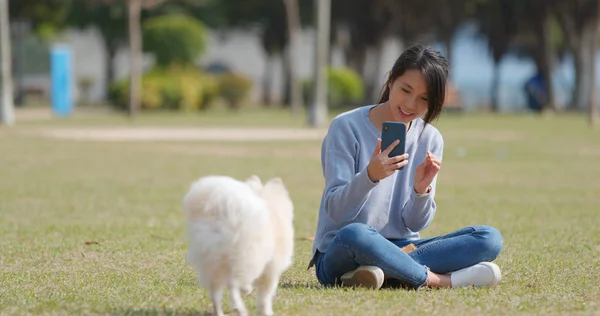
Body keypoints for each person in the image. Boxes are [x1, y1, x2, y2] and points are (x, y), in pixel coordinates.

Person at [307, 44, 503, 290]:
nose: (411, 104)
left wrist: (421, 192)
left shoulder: (430, 138)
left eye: (424, 99)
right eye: (406, 90)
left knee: (489, 239)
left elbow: (415, 224)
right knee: (355, 234)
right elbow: (336, 212)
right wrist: (369, 176)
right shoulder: (346, 127)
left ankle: (380, 272)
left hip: (403, 247)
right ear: (390, 80)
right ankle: (441, 281)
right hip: (343, 251)